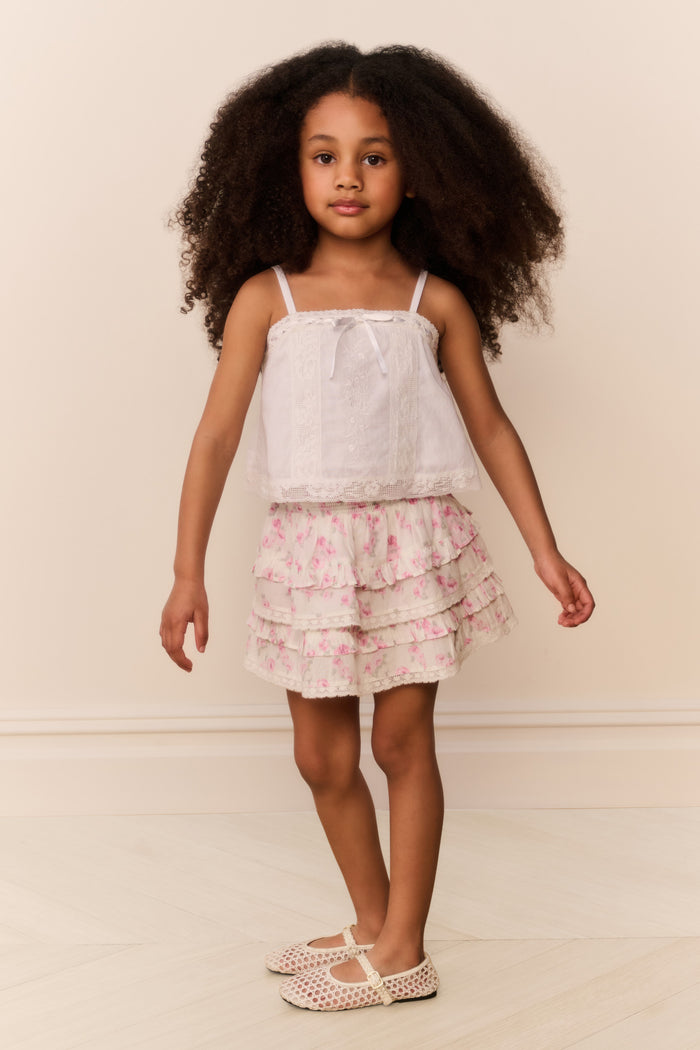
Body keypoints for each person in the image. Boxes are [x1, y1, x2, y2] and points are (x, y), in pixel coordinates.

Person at [159, 42, 595, 1012]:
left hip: (410, 544)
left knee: (401, 744)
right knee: (320, 756)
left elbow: (488, 427)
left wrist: (543, 548)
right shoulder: (264, 300)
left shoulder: (431, 302)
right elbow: (216, 436)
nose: (348, 177)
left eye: (375, 154)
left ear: (422, 170)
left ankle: (404, 949)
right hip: (307, 552)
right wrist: (187, 572)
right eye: (324, 154)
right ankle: (370, 917)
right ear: (285, 167)